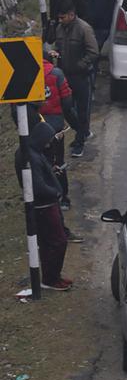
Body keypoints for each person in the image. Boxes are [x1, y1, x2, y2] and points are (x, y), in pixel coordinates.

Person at [13, 120, 73, 291]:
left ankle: (52, 276)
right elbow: (36, 185)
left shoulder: (33, 153)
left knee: (49, 242)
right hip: (44, 206)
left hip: (47, 203)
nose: (49, 143)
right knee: (57, 241)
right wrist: (55, 192)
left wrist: (51, 172)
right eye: (47, 139)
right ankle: (51, 279)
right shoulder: (29, 156)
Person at [53, 0, 98, 158]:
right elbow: (58, 46)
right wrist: (56, 53)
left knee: (83, 110)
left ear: (72, 15)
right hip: (65, 76)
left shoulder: (84, 29)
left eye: (63, 17)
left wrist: (80, 65)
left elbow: (93, 52)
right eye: (59, 18)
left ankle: (79, 143)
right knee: (66, 108)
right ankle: (81, 131)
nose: (60, 20)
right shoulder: (60, 29)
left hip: (81, 76)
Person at [39, 45, 80, 209]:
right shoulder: (56, 74)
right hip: (55, 125)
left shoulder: (27, 73)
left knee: (39, 162)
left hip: (35, 126)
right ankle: (63, 198)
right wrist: (76, 125)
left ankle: (43, 195)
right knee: (58, 161)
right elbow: (68, 102)